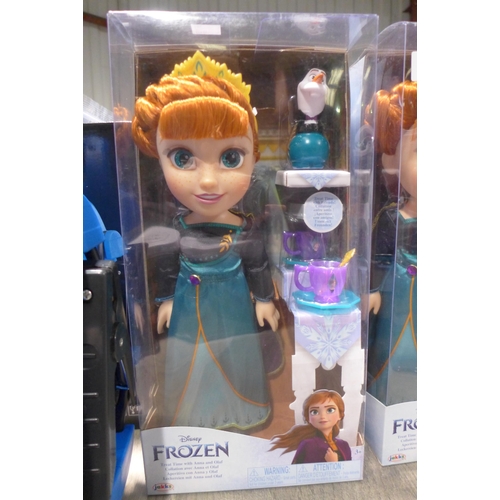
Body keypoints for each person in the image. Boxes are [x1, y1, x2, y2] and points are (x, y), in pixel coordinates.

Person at [131, 55, 280, 431]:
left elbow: (258, 264)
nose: (209, 181)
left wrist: (264, 299)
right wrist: (165, 300)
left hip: (233, 307)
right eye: (183, 158)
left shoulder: (245, 230)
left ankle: (240, 411)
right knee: (188, 360)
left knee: (238, 358)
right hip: (186, 307)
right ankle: (195, 416)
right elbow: (167, 266)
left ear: (254, 159)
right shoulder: (176, 229)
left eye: (231, 157)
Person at [365, 80, 417, 405]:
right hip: (396, 297)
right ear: (392, 159)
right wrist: (372, 289)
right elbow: (377, 257)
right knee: (392, 345)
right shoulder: (392, 218)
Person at [269, 390, 351, 463]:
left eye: (330, 410)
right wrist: (332, 465)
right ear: (308, 418)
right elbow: (297, 471)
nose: (322, 416)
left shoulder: (344, 445)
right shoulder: (308, 445)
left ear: (340, 414)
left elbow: (349, 471)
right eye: (314, 412)